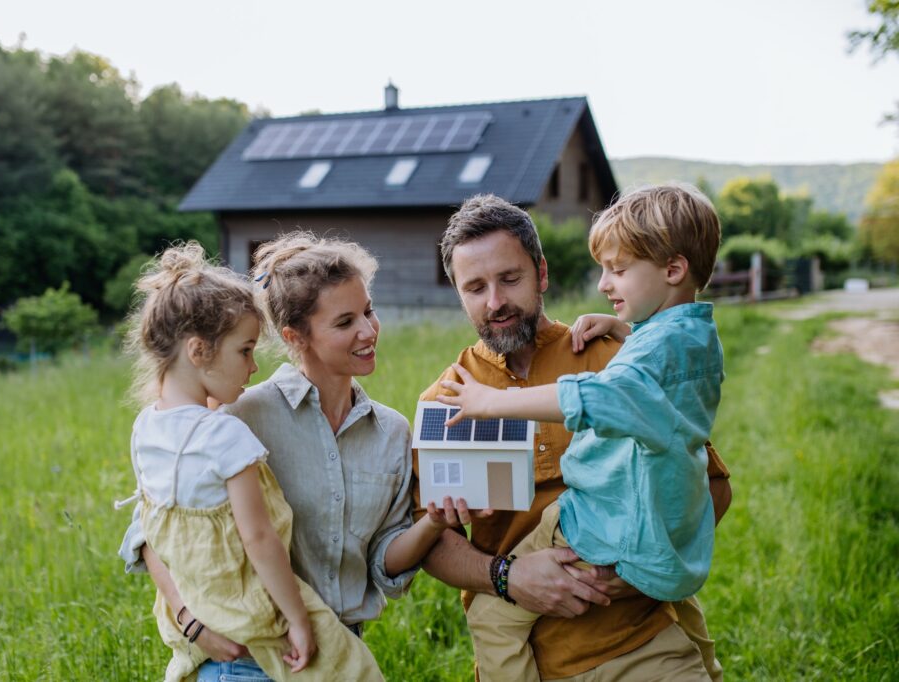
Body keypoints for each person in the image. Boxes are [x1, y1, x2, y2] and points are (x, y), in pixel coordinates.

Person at [415, 193, 732, 681]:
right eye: (475, 287)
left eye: (510, 279)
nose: (495, 302)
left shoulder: (611, 356)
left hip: (641, 642)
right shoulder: (447, 398)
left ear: (541, 273)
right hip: (528, 658)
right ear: (458, 292)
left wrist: (625, 573)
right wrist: (509, 578)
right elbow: (431, 544)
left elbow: (709, 487)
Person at [119, 233, 457, 681]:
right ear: (297, 336)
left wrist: (434, 521)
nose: (368, 331)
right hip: (248, 659)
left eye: (369, 312)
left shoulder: (391, 432)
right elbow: (154, 529)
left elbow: (382, 563)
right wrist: (191, 623)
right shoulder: (235, 416)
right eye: (345, 322)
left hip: (338, 656)